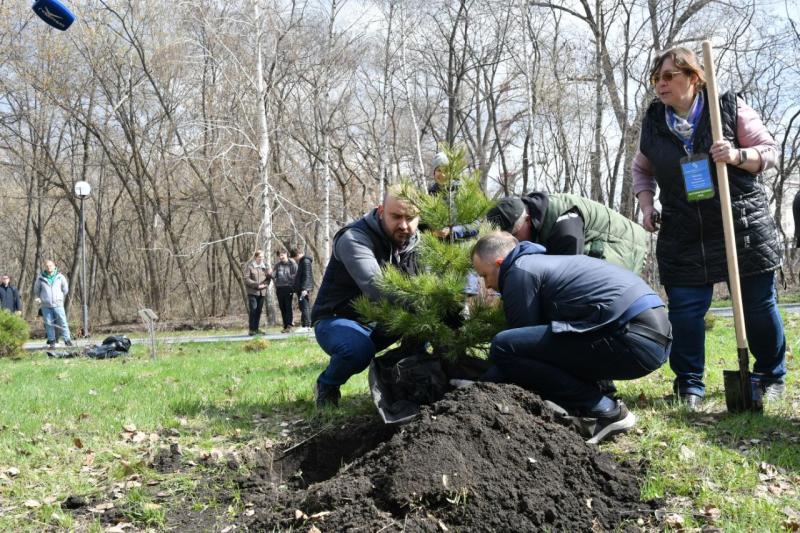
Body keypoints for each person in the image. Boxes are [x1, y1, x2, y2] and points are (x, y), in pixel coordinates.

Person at [633, 47, 785, 409]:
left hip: (740, 226)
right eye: (657, 78)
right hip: (684, 230)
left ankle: (769, 375)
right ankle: (689, 386)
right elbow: (642, 168)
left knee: (757, 305)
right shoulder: (655, 121)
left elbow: (770, 152)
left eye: (669, 76)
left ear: (694, 78)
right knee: (684, 310)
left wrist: (736, 155)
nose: (661, 85)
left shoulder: (728, 108)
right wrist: (645, 203)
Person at [471, 232, 671, 444]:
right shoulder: (544, 264)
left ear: (500, 262)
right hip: (654, 334)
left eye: (485, 275)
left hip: (633, 336)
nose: (487, 285)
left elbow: (519, 349)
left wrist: (479, 387)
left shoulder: (519, 272)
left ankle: (604, 411)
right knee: (554, 337)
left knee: (503, 345)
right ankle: (601, 396)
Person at [311, 184, 420, 407]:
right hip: (336, 319)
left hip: (382, 320)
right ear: (381, 211)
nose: (404, 225)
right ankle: (327, 384)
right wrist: (426, 303)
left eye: (410, 217)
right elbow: (376, 286)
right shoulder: (354, 238)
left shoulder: (417, 244)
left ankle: (400, 379)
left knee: (425, 327)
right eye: (396, 216)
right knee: (357, 350)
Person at [486, 192, 648, 275]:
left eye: (514, 235)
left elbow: (569, 274)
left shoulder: (564, 225)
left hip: (625, 245)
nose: (514, 241)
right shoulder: (536, 216)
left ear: (527, 219)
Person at [33, 260, 73, 348]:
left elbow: (65, 289)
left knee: (63, 322)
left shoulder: (60, 277)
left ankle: (67, 340)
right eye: (47, 266)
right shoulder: (40, 278)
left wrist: (59, 297)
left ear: (54, 266)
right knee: (48, 323)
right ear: (45, 267)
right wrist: (43, 298)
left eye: (50, 265)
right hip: (46, 306)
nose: (49, 267)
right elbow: (36, 290)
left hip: (58, 304)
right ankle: (52, 341)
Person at [243, 250, 271, 335]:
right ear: (255, 257)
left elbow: (268, 278)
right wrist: (257, 285)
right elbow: (246, 279)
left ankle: (256, 329)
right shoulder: (250, 266)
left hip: (262, 292)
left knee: (259, 311)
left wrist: (265, 285)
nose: (261, 259)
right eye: (259, 257)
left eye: (262, 257)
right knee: (253, 310)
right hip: (253, 292)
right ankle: (251, 329)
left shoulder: (265, 267)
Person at [273, 249, 297, 333]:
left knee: (288, 306)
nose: (281, 257)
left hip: (288, 288)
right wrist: (269, 274)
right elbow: (273, 275)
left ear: (286, 254)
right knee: (282, 307)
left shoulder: (292, 264)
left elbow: (296, 276)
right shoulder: (277, 265)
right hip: (279, 288)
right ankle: (285, 325)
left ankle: (290, 325)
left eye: (282, 255)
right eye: (279, 256)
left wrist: (292, 285)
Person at [290, 248, 314, 332]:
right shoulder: (302, 261)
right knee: (302, 306)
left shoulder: (305, 261)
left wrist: (305, 289)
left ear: (298, 255)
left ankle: (307, 325)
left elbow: (307, 276)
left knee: (305, 306)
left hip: (304, 288)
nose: (295, 260)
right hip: (301, 288)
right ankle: (304, 325)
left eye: (295, 257)